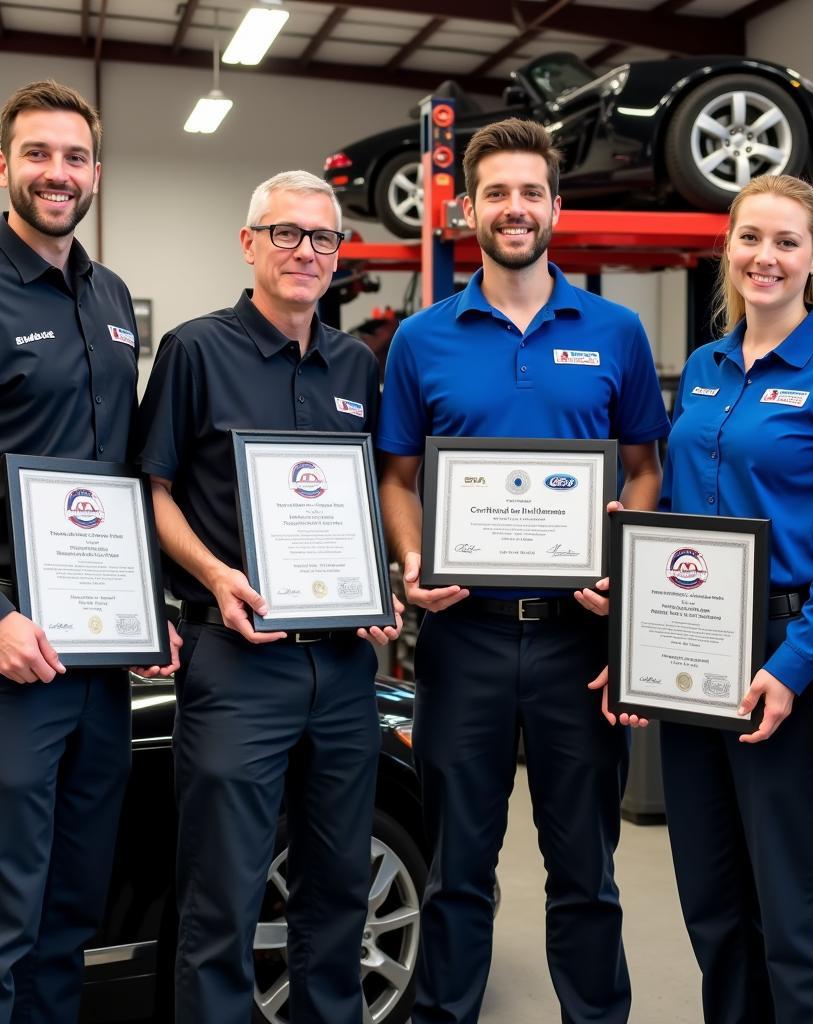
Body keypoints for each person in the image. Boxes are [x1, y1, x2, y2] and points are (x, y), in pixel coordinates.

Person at [377, 118, 669, 1024]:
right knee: (459, 868)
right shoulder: (423, 339)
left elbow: (646, 467)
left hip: (575, 642)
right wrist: (413, 557)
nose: (514, 208)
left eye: (530, 192)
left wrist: (626, 544)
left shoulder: (615, 331)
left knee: (585, 869)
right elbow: (397, 476)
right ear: (468, 210)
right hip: (461, 638)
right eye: (496, 192)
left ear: (554, 205)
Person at [135, 170, 401, 1024]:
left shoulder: (357, 362)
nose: (306, 252)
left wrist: (380, 581)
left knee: (336, 895)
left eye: (323, 238)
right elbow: (153, 489)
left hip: (343, 667)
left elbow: (362, 499)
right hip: (237, 663)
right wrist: (215, 574)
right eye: (286, 233)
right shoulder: (194, 349)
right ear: (249, 243)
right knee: (222, 900)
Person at [656, 173, 813, 1024]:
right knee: (715, 907)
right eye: (751, 237)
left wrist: (796, 667)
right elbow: (681, 522)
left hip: (788, 661)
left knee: (798, 911)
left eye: (786, 242)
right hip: (694, 655)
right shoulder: (704, 368)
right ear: (728, 246)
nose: (765, 256)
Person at [0, 80, 180, 1024]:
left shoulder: (109, 296)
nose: (57, 174)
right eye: (37, 154)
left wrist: (150, 606)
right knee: (6, 911)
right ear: (4, 166)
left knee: (75, 901)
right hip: (14, 656)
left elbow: (121, 474)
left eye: (74, 158)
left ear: (96, 174)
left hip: (102, 652)